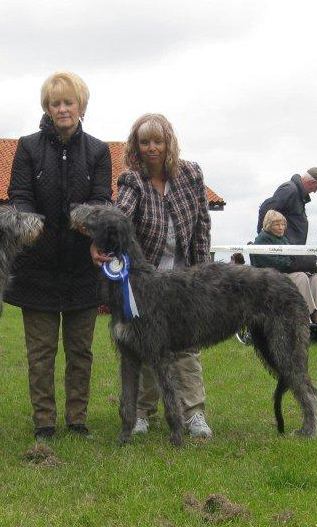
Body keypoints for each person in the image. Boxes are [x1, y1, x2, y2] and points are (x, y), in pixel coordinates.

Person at [5, 71, 112, 440]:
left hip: (83, 267)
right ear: (47, 108)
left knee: (81, 352)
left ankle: (77, 418)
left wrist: (89, 226)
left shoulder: (98, 151)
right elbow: (19, 194)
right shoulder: (28, 147)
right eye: (55, 103)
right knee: (41, 353)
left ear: (81, 105)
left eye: (68, 102)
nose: (62, 109)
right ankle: (44, 421)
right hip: (37, 267)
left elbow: (101, 199)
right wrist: (29, 224)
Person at [92, 113, 212, 438]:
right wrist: (101, 234)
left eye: (157, 141)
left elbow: (201, 225)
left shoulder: (190, 174)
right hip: (146, 280)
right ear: (136, 146)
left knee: (187, 347)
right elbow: (123, 213)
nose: (151, 148)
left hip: (185, 276)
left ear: (168, 143)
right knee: (144, 347)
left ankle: (194, 413)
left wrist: (202, 272)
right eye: (145, 142)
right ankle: (143, 413)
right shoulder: (133, 180)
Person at [252, 210, 317, 325]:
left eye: (283, 224)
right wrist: (292, 263)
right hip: (271, 276)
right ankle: (304, 315)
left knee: (315, 278)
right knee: (301, 277)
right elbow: (271, 263)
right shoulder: (262, 240)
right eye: (277, 224)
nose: (281, 227)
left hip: (286, 272)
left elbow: (292, 255)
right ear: (269, 225)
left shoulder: (283, 239)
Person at [257, 167, 317, 245]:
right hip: (285, 249)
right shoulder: (290, 190)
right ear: (313, 182)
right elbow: (265, 209)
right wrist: (263, 239)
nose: (315, 191)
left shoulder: (298, 194)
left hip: (291, 248)